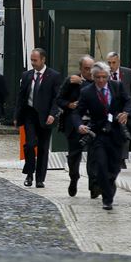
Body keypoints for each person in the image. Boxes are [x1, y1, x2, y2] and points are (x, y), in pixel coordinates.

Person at [73, 62, 131, 210]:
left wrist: (126, 112)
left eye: (104, 77)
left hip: (116, 132)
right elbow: (77, 113)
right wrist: (79, 125)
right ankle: (107, 199)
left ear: (108, 76)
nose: (101, 80)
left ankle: (109, 184)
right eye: (98, 77)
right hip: (98, 133)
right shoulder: (87, 92)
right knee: (100, 165)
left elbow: (128, 102)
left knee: (114, 167)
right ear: (93, 77)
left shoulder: (117, 87)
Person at [14, 48, 62, 188]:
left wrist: (53, 114)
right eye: (31, 60)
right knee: (29, 145)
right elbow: (21, 97)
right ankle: (29, 173)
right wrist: (17, 116)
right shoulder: (27, 75)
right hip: (30, 114)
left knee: (42, 148)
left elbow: (56, 98)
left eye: (35, 60)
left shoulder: (54, 76)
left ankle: (40, 178)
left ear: (43, 59)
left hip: (46, 116)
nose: (33, 63)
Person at [56, 55, 96, 197]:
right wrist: (69, 104)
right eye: (86, 69)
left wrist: (82, 83)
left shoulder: (98, 81)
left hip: (92, 124)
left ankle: (93, 184)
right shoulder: (71, 81)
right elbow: (59, 99)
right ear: (80, 69)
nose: (89, 72)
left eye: (91, 68)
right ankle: (74, 178)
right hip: (73, 124)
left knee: (94, 155)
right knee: (74, 156)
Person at [106, 51, 131, 168]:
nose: (111, 65)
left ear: (118, 62)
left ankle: (122, 159)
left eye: (113, 63)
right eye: (109, 63)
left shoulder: (128, 73)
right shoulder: (104, 74)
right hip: (110, 110)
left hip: (125, 109)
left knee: (124, 133)